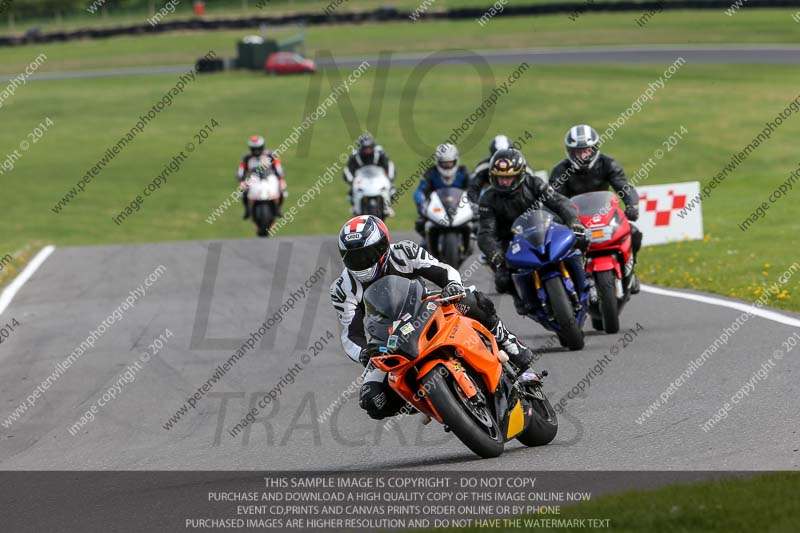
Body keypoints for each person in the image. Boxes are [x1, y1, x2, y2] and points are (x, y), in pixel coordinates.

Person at [330, 215, 538, 420]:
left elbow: (442, 270)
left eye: (366, 255)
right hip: (388, 336)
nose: (361, 263)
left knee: (472, 300)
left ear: (383, 246)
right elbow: (351, 334)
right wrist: (364, 354)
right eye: (353, 258)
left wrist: (452, 285)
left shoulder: (404, 251)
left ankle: (510, 345)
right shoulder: (342, 289)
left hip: (425, 308)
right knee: (372, 401)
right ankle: (430, 399)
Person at [477, 148, 586, 314]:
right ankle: (522, 300)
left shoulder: (534, 184)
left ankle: (586, 279)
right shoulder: (487, 199)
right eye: (500, 178)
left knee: (579, 240)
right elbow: (486, 232)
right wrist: (495, 254)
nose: (504, 182)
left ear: (520, 174)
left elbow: (559, 202)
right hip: (511, 240)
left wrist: (573, 220)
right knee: (502, 279)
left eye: (509, 177)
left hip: (542, 229)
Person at [549, 124, 641, 293]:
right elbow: (554, 198)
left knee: (634, 232)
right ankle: (569, 288)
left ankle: (631, 272)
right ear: (569, 151)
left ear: (595, 149)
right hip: (576, 221)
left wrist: (632, 205)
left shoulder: (608, 164)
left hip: (605, 216)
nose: (582, 155)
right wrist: (556, 218)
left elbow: (624, 186)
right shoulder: (560, 171)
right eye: (577, 152)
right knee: (559, 249)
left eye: (586, 151)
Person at [413, 143, 471, 239]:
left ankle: (471, 237)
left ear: (456, 161)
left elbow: (473, 189)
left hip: (460, 207)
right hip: (437, 208)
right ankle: (427, 240)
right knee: (420, 223)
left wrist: (473, 202)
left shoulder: (463, 171)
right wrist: (422, 203)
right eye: (444, 163)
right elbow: (419, 191)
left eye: (450, 162)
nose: (447, 166)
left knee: (477, 221)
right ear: (438, 162)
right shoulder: (430, 172)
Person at [237, 135, 285, 219]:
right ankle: (247, 210)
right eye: (254, 149)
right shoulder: (246, 157)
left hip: (270, 177)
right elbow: (241, 170)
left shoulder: (270, 155)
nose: (256, 151)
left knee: (282, 189)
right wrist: (241, 180)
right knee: (243, 190)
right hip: (253, 178)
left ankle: (278, 209)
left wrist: (281, 178)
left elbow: (278, 167)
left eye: (258, 148)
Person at [343, 133, 396, 207]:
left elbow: (389, 166)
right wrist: (352, 182)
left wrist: (390, 179)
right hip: (362, 180)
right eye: (365, 148)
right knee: (351, 194)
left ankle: (387, 207)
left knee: (392, 190)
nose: (367, 150)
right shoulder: (355, 156)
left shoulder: (380, 154)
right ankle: (356, 209)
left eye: (369, 148)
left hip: (378, 178)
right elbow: (348, 170)